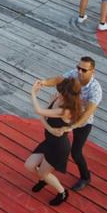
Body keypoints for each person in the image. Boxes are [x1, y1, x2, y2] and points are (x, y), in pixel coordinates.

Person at [38, 57, 103, 192]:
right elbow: (58, 80)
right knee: (53, 137)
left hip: (81, 123)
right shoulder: (74, 73)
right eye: (78, 67)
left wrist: (71, 127)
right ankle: (44, 163)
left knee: (76, 152)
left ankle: (85, 177)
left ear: (93, 71)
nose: (79, 71)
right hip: (66, 115)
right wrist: (43, 82)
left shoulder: (95, 90)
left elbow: (87, 114)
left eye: (84, 70)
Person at [24, 78, 81, 206]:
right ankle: (45, 180)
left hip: (58, 147)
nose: (58, 94)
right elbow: (43, 116)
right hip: (49, 141)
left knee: (44, 172)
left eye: (61, 92)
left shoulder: (65, 110)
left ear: (68, 95)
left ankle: (62, 193)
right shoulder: (58, 99)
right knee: (29, 165)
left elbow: (39, 112)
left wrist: (33, 93)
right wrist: (50, 128)